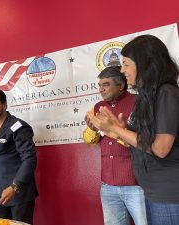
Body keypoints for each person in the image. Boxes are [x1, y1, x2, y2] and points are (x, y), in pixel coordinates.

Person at [88, 35, 179, 225]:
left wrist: (117, 129)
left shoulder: (166, 93)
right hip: (153, 190)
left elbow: (161, 148)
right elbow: (144, 140)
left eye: (127, 64)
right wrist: (120, 130)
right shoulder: (150, 96)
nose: (123, 70)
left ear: (145, 64)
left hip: (168, 194)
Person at [83, 66, 147, 225]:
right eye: (99, 85)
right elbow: (90, 141)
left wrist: (119, 130)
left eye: (105, 85)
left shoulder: (139, 102)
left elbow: (147, 142)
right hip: (108, 185)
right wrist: (92, 130)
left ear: (121, 86)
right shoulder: (97, 107)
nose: (101, 89)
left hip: (136, 184)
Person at [0, 85, 38, 224]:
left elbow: (29, 159)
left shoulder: (19, 126)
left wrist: (15, 186)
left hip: (18, 194)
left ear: (4, 104)